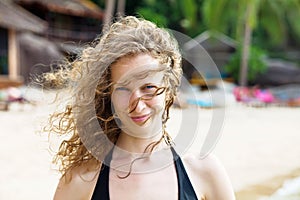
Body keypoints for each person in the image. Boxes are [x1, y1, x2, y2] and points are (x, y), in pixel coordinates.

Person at [43, 16, 235, 200]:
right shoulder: (81, 180)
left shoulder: (204, 173)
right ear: (108, 94)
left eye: (148, 88)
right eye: (124, 89)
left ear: (169, 89)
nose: (138, 104)